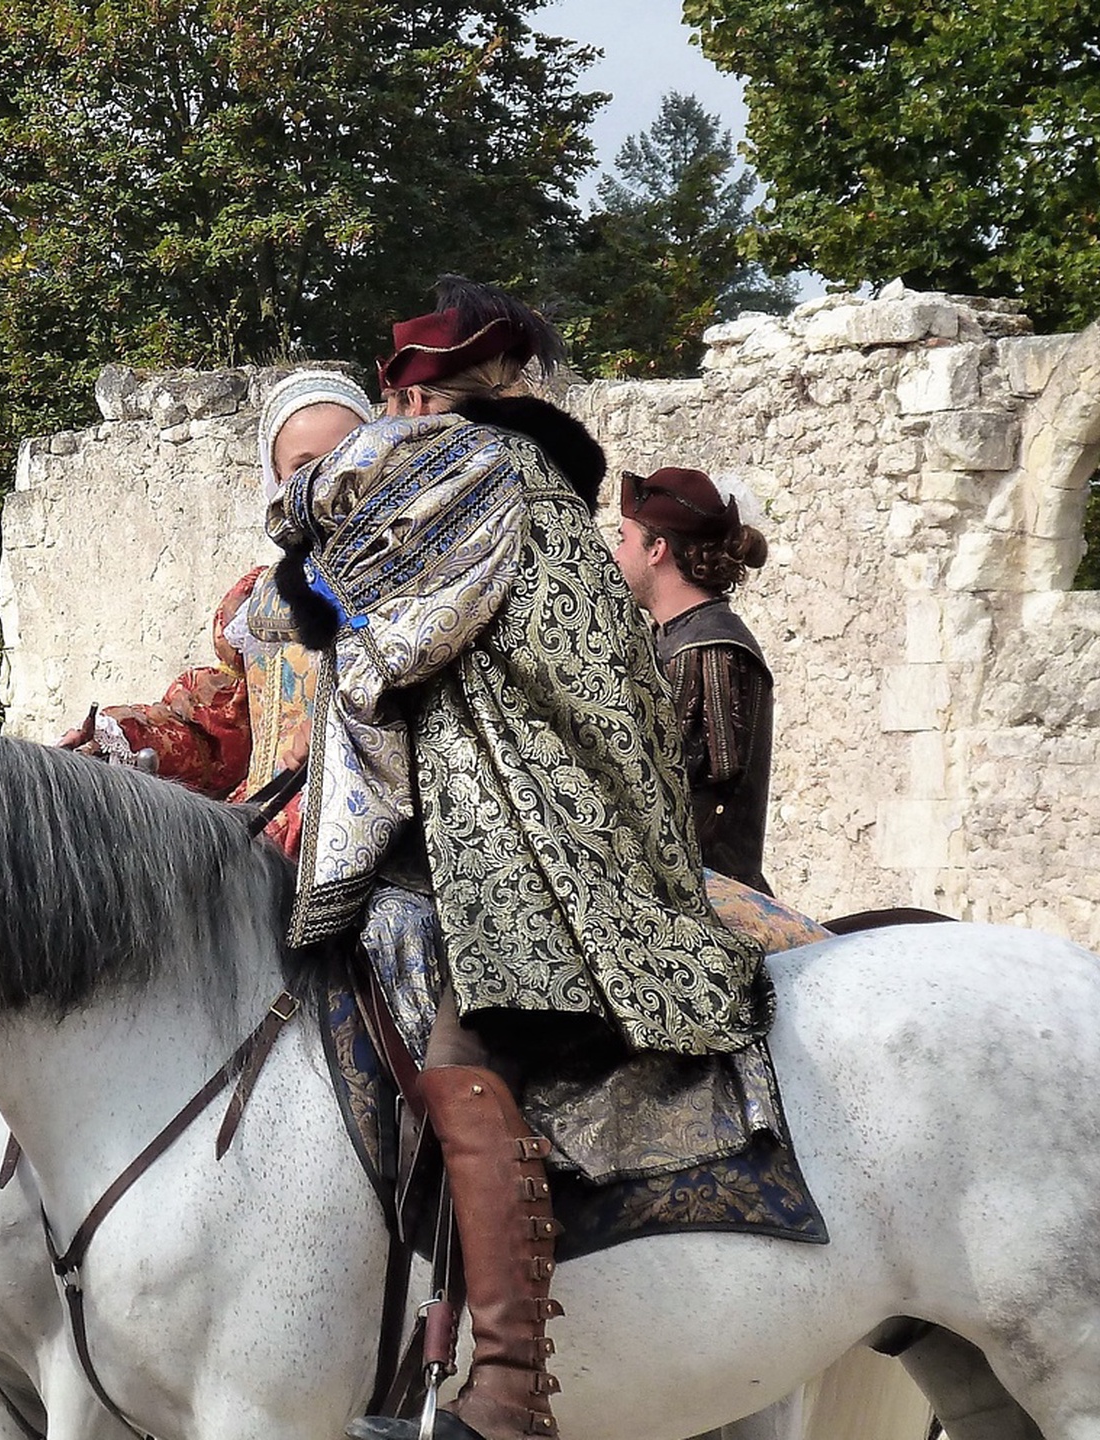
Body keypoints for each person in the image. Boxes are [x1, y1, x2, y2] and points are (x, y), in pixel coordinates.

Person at [273, 279, 764, 1440]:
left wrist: (315, 560)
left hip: (530, 828)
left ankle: (503, 1380)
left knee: (463, 1031)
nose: (396, 422)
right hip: (508, 805)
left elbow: (341, 599)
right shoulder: (535, 488)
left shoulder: (474, 476)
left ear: (420, 393)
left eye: (404, 398)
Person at [59, 370, 375, 852]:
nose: (329, 479)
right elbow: (218, 732)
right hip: (267, 832)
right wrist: (118, 736)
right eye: (305, 466)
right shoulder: (260, 598)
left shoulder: (427, 579)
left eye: (348, 456)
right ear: (277, 481)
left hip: (378, 829)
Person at [611, 467, 777, 894]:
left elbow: (670, 792)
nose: (615, 555)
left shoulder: (706, 649)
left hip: (706, 896)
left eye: (623, 539)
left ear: (657, 550)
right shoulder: (671, 637)